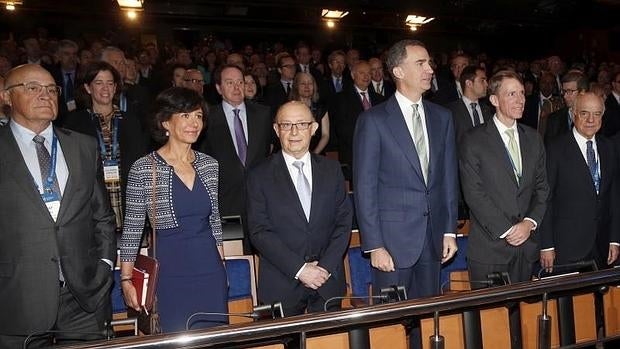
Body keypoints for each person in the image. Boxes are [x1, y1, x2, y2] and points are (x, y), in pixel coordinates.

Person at [0, 64, 116, 347]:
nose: (45, 95)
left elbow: (102, 215)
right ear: (6, 96)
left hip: (84, 297)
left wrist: (105, 264)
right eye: (32, 88)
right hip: (16, 299)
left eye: (51, 89)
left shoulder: (84, 146)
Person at [353, 40, 458, 349]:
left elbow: (448, 179)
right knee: (392, 326)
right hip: (393, 244)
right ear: (398, 71)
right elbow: (365, 187)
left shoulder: (443, 117)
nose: (430, 69)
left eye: (429, 63)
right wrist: (374, 245)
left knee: (428, 321)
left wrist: (450, 230)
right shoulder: (373, 120)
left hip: (433, 238)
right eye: (421, 63)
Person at [120, 87, 227, 332]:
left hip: (210, 269)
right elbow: (132, 230)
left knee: (215, 338)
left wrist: (222, 267)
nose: (194, 123)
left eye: (198, 116)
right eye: (185, 115)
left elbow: (215, 221)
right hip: (169, 271)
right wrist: (126, 280)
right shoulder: (143, 168)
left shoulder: (210, 165)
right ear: (165, 121)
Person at [247, 101, 352, 316]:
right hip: (281, 283)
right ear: (276, 130)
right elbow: (259, 231)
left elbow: (343, 223)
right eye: (286, 125)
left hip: (327, 281)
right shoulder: (259, 175)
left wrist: (323, 268)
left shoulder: (332, 170)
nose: (294, 132)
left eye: (301, 124)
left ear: (314, 129)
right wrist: (301, 269)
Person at [459, 70, 549, 284]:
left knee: (523, 317)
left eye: (521, 93)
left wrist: (528, 223)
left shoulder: (534, 139)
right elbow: (474, 193)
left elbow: (542, 188)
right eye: (511, 94)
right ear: (494, 100)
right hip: (490, 251)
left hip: (527, 249)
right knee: (490, 317)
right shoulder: (474, 140)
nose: (520, 100)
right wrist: (508, 230)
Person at [62, 61, 147, 231]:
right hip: (91, 204)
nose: (105, 89)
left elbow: (141, 161)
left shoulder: (131, 121)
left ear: (116, 88)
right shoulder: (74, 123)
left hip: (128, 201)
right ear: (88, 87)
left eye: (110, 83)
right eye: (98, 83)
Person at [541, 92, 619, 271]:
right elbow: (545, 199)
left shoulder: (609, 147)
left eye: (597, 114)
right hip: (566, 247)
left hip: (602, 245)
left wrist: (615, 239)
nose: (591, 119)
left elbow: (614, 196)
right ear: (573, 114)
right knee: (569, 298)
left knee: (601, 298)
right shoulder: (555, 149)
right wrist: (547, 245)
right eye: (584, 113)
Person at [543, 71, 589, 144]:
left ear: (582, 92)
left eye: (569, 91)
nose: (565, 96)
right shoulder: (554, 119)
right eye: (564, 91)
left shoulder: (594, 119)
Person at [290, 72, 330, 154]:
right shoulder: (289, 108)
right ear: (296, 86)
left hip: (317, 153)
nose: (307, 86)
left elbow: (325, 135)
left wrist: (314, 154)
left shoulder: (321, 108)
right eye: (303, 83)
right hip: (294, 152)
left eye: (310, 83)